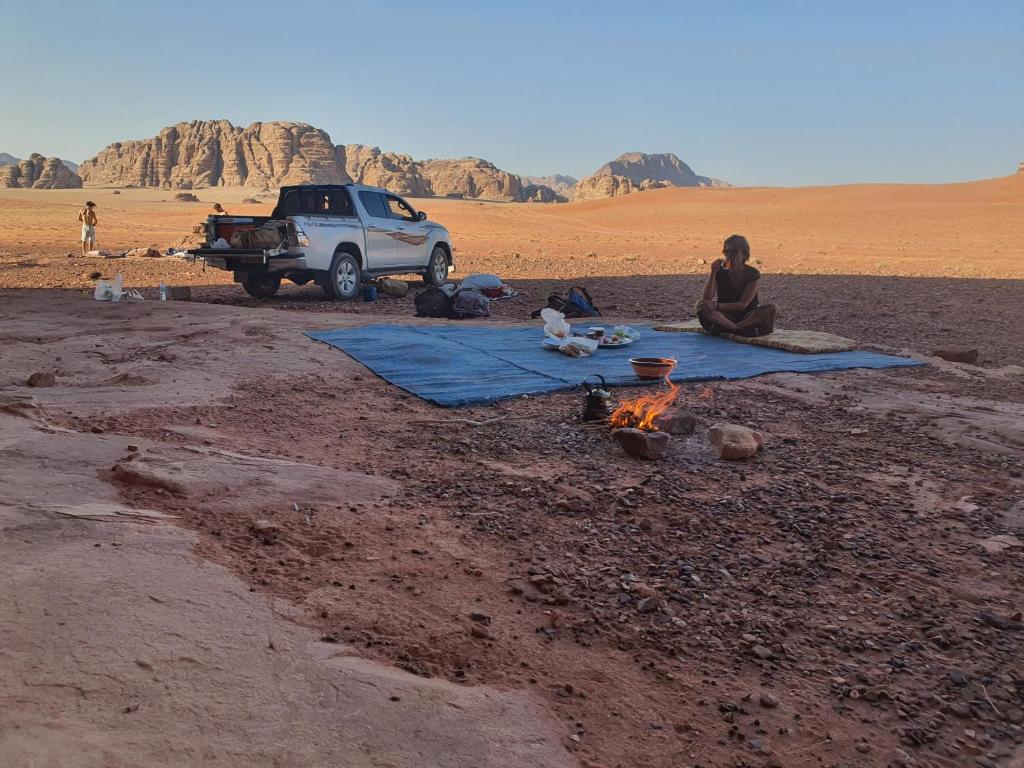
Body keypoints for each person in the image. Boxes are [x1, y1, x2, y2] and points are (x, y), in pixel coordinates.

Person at [696, 234, 778, 337]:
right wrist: (713, 274)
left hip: (748, 317)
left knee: (772, 309)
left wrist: (716, 306)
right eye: (726, 252)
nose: (729, 255)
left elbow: (742, 305)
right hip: (725, 316)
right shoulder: (721, 272)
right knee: (701, 305)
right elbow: (707, 298)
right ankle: (738, 329)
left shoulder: (752, 274)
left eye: (734, 252)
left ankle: (727, 327)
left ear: (744, 254)